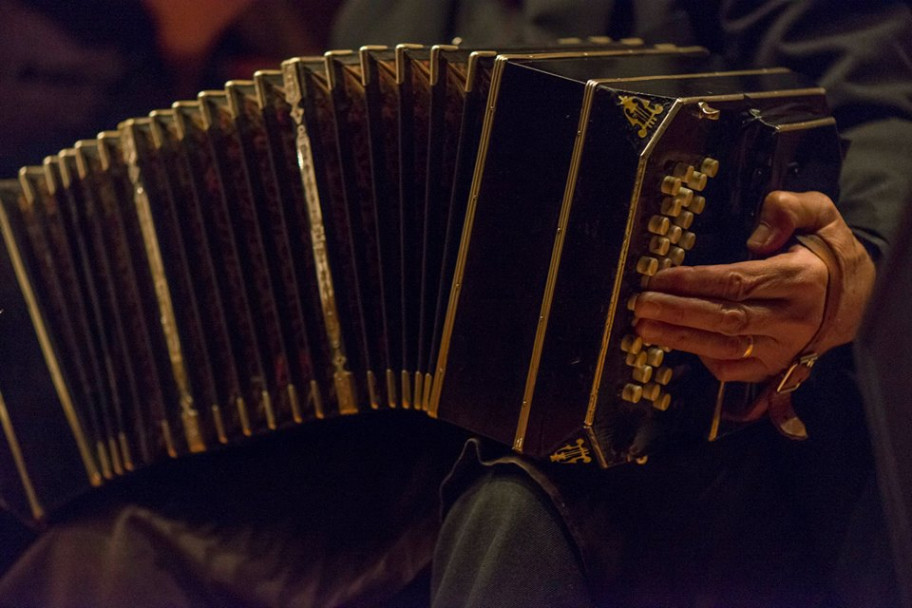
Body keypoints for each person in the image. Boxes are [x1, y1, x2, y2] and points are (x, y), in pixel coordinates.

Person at [330, 1, 912, 606]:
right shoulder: (381, 15)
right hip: (416, 446)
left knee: (511, 517)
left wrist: (848, 272)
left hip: (709, 422)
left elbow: (878, 118)